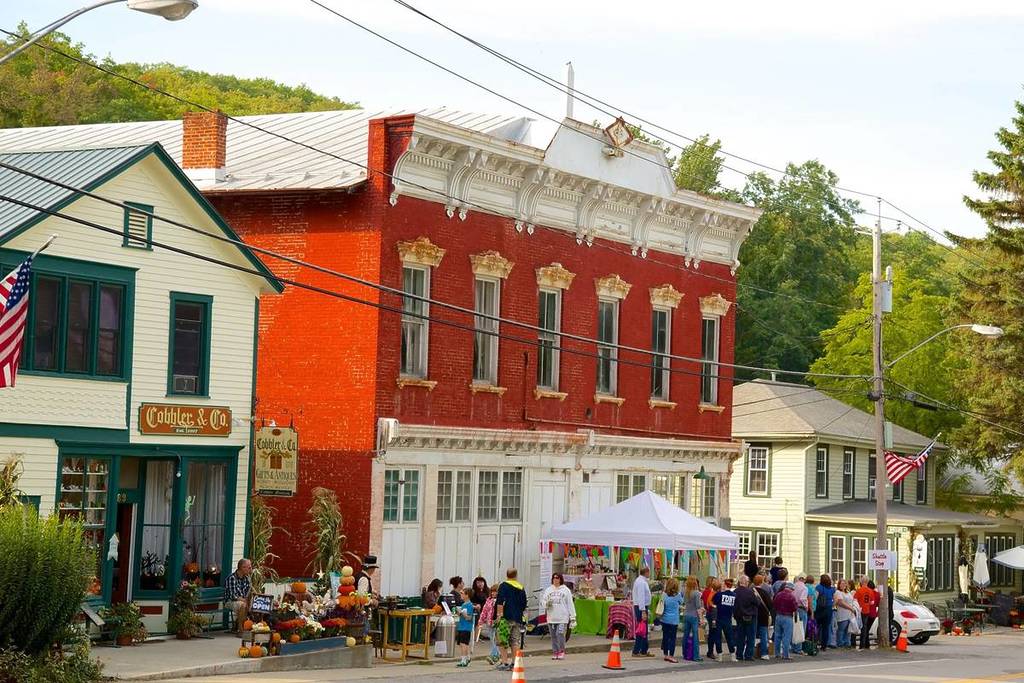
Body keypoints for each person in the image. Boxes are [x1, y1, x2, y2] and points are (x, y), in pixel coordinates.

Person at [495, 568, 528, 671]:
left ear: (507, 575)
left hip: (506, 617)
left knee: (502, 640)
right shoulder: (521, 587)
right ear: (516, 575)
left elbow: (500, 602)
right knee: (515, 641)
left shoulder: (503, 586)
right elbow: (524, 604)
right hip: (517, 618)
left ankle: (504, 662)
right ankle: (514, 663)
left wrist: (499, 616)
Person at [540, 573, 576, 660]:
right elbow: (543, 601)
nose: (555, 580)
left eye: (557, 578)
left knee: (560, 634)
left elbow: (570, 604)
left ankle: (561, 651)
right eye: (554, 578)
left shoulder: (566, 590)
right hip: (552, 617)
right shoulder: (548, 590)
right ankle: (555, 651)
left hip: (562, 617)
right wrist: (546, 604)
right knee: (553, 636)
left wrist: (573, 617)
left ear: (560, 579)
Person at [733, 575, 759, 661]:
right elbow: (757, 603)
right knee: (750, 637)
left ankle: (739, 654)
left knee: (740, 637)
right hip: (750, 616)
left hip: (739, 617)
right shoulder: (750, 592)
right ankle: (748, 655)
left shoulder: (735, 592)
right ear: (746, 583)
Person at [225, 557, 252, 633]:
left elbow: (247, 593)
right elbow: (233, 596)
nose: (250, 569)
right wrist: (245, 601)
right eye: (249, 567)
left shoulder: (247, 578)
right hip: (230, 601)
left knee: (255, 604)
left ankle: (243, 626)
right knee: (243, 605)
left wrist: (248, 601)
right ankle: (240, 630)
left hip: (242, 601)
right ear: (242, 568)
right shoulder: (232, 578)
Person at [712, 577, 737, 661]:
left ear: (725, 585)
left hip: (719, 618)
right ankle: (733, 655)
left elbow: (714, 601)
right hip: (728, 618)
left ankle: (720, 656)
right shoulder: (734, 595)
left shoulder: (720, 595)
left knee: (718, 637)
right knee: (729, 637)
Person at [772, 582, 798, 660]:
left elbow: (774, 604)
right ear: (791, 589)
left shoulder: (778, 595)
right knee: (786, 636)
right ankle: (785, 654)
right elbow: (795, 608)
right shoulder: (792, 596)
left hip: (778, 616)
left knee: (777, 635)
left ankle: (777, 653)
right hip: (788, 617)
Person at [631, 566, 653, 657]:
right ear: (646, 572)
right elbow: (641, 597)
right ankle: (636, 650)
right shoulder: (641, 582)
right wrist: (643, 610)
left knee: (644, 630)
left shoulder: (642, 581)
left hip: (642, 607)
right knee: (641, 630)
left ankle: (644, 649)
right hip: (641, 607)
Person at [682, 576, 704, 662]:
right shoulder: (697, 593)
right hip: (694, 616)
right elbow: (698, 607)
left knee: (686, 635)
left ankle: (685, 653)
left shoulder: (685, 592)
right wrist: (701, 619)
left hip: (686, 615)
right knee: (695, 637)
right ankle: (696, 656)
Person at [660, 577, 683, 663]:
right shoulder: (678, 595)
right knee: (672, 638)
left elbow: (662, 604)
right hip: (674, 620)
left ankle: (665, 654)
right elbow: (681, 602)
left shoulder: (664, 594)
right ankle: (671, 656)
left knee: (665, 637)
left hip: (665, 619)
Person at [478, 584, 500, 664]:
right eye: (492, 592)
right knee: (492, 639)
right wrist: (481, 620)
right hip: (489, 622)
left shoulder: (500, 601)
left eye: (495, 592)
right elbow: (484, 610)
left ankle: (493, 655)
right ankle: (496, 655)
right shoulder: (489, 600)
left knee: (496, 639)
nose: (493, 593)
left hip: (497, 622)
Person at [854, 577, 878, 651]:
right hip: (867, 611)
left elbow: (854, 600)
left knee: (857, 626)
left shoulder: (859, 590)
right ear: (867, 582)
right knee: (864, 628)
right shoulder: (870, 591)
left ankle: (856, 644)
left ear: (861, 582)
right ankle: (863, 645)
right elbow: (872, 602)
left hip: (860, 610)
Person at [753, 574, 773, 660]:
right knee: (763, 635)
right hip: (763, 617)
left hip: (753, 615)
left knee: (752, 635)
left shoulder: (751, 591)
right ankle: (764, 654)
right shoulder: (765, 593)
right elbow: (770, 605)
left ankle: (751, 652)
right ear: (762, 582)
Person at [815, 574, 836, 650]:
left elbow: (816, 597)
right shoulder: (832, 589)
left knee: (817, 626)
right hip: (828, 609)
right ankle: (824, 646)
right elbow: (835, 599)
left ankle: (815, 643)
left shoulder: (819, 587)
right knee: (826, 628)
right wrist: (832, 605)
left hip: (819, 609)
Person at [455, 588, 475, 667]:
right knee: (461, 643)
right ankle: (467, 658)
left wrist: (462, 613)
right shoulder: (463, 605)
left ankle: (463, 660)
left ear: (467, 595)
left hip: (466, 627)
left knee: (464, 644)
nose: (461, 595)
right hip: (461, 626)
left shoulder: (469, 605)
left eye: (462, 593)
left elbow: (469, 618)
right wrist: (459, 613)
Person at [834, 579, 856, 648]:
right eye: (841, 584)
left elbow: (852, 600)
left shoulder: (848, 592)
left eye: (844, 583)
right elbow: (840, 602)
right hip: (842, 614)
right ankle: (840, 643)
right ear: (839, 585)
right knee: (841, 630)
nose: (843, 585)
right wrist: (850, 608)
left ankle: (847, 643)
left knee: (848, 630)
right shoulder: (838, 592)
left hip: (849, 614)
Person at [791, 575, 809, 655]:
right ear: (804, 580)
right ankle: (798, 648)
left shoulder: (793, 586)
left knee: (794, 628)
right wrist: (806, 606)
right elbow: (802, 598)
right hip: (801, 608)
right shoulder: (804, 588)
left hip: (794, 608)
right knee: (801, 629)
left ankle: (793, 646)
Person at [704, 577, 721, 660]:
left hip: (709, 613)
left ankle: (711, 651)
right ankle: (711, 651)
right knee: (713, 633)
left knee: (712, 632)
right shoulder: (710, 592)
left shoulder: (706, 592)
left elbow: (704, 603)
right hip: (712, 614)